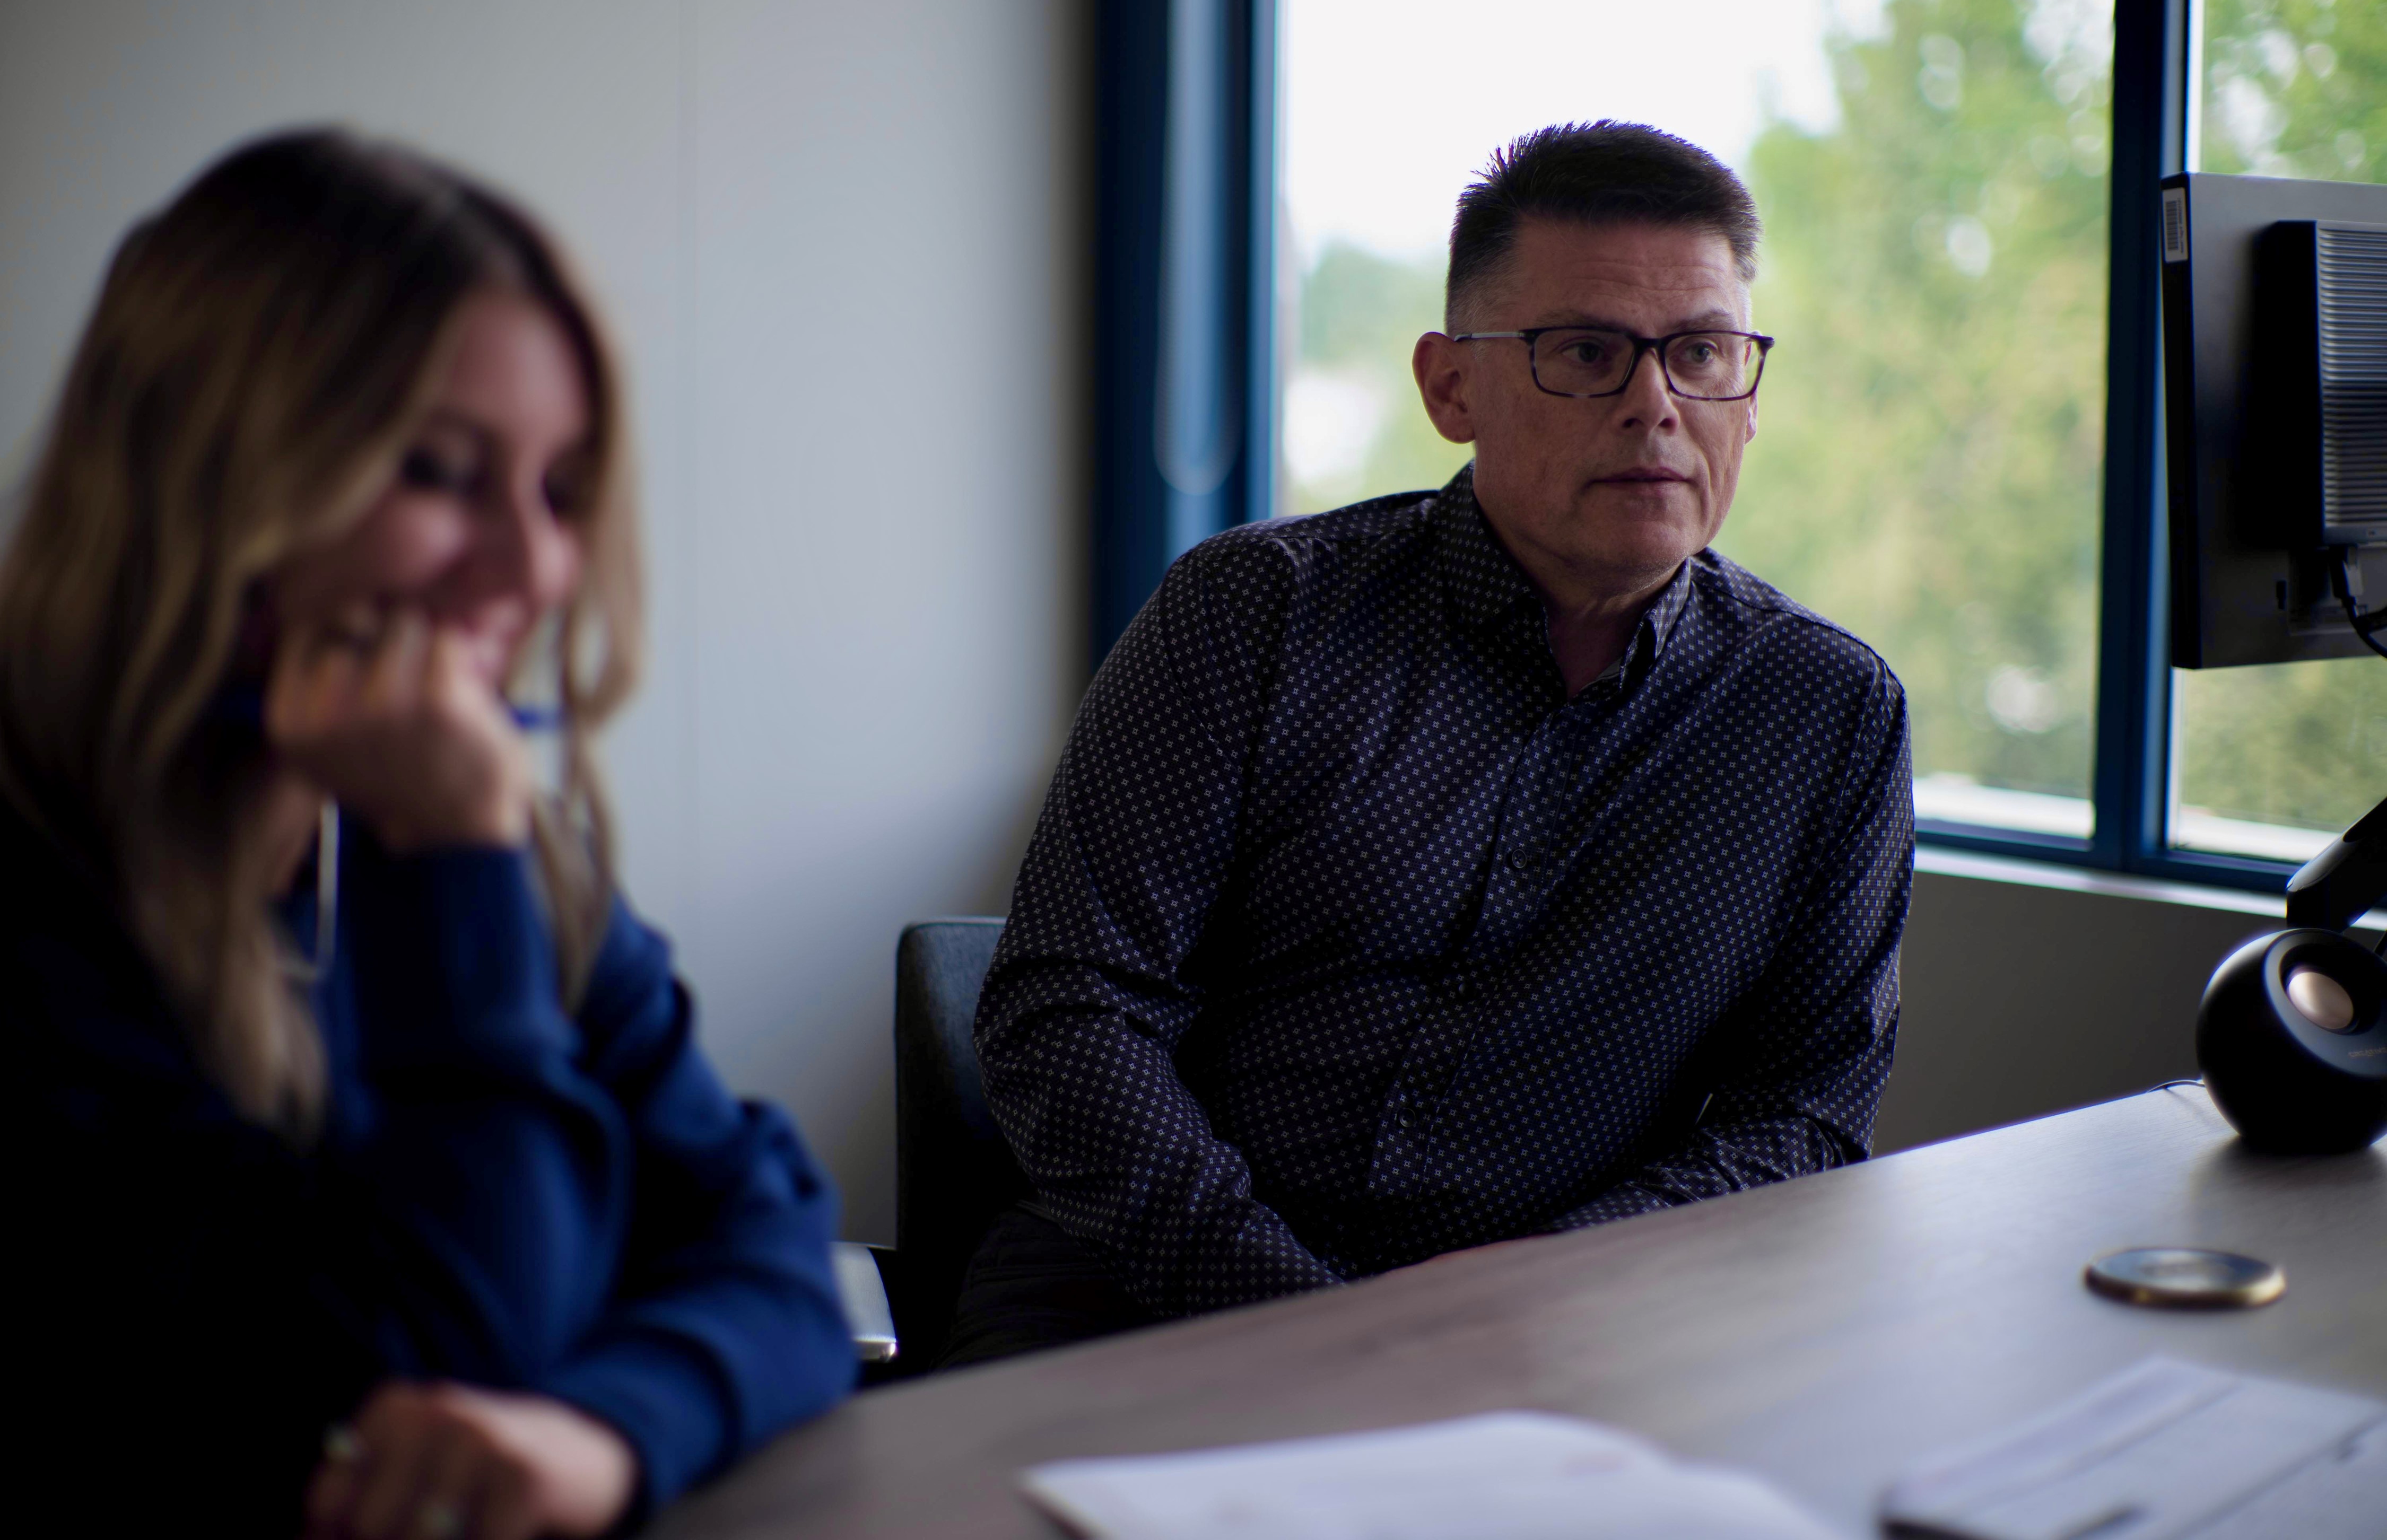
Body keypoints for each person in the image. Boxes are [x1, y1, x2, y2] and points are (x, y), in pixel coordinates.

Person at [4, 131, 852, 1538]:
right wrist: (448, 866)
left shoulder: (488, 844)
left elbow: (767, 1240)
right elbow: (409, 1385)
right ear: (215, 470)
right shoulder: (55, 896)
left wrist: (606, 1432)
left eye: (561, 491)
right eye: (441, 471)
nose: (532, 569)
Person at [953, 121, 1911, 1364]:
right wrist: (1310, 1324)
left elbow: (1807, 1115)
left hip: (1565, 1340)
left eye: (1703, 353)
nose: (1656, 406)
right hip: (1151, 1305)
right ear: (1449, 385)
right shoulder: (1256, 615)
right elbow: (1067, 1012)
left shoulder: (1823, 715)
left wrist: (1546, 1291)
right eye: (1585, 353)